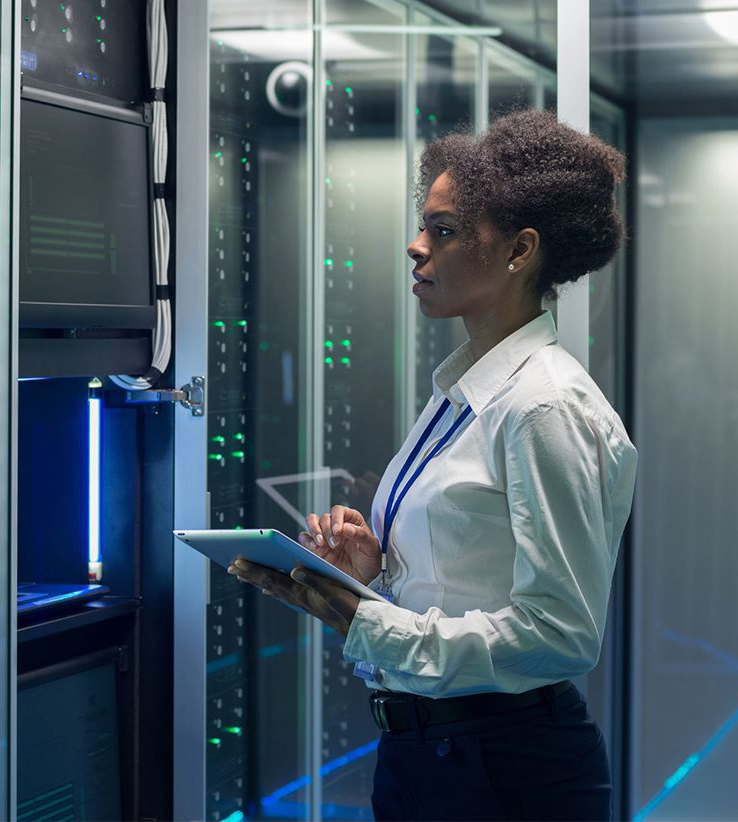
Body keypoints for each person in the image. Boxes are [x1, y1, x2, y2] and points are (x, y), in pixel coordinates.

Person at [228, 109, 637, 821]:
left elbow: (560, 634)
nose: (416, 248)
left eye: (444, 232)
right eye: (424, 226)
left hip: (505, 770)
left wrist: (365, 621)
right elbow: (464, 579)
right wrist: (372, 574)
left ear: (520, 252)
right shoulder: (466, 390)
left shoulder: (543, 405)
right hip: (427, 756)